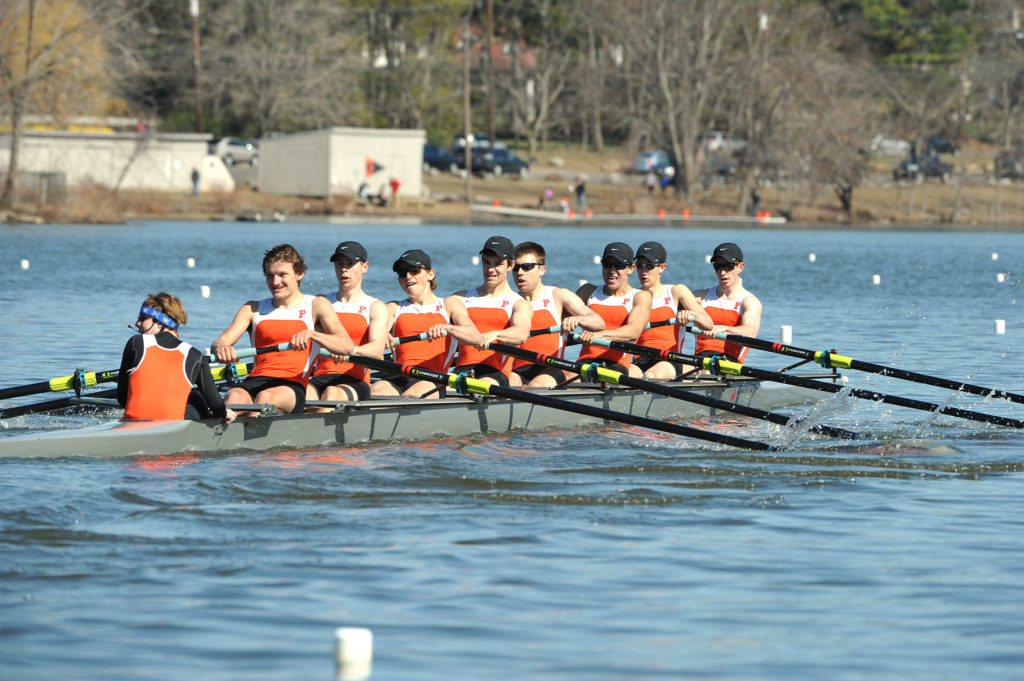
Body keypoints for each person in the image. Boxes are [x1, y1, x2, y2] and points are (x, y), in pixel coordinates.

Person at [210, 243, 354, 414]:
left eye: (282, 275)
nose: (275, 282)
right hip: (255, 379)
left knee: (266, 398)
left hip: (292, 386)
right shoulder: (252, 309)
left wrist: (312, 334)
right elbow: (220, 342)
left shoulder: (316, 305)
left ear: (299, 274)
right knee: (233, 397)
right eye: (270, 275)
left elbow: (346, 346)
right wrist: (222, 348)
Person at [118, 293, 236, 423]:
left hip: (132, 425)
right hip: (172, 430)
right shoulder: (196, 356)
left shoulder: (135, 343)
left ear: (159, 322)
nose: (137, 323)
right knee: (196, 396)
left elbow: (122, 398)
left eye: (143, 318)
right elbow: (216, 405)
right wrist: (225, 412)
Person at [371, 249, 473, 399]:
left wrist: (448, 328)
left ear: (431, 274)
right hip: (398, 377)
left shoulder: (448, 305)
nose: (408, 276)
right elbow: (375, 336)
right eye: (402, 273)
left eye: (414, 270)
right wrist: (381, 337)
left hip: (433, 379)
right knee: (377, 390)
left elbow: (473, 334)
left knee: (409, 397)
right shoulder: (393, 307)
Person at [510, 241, 604, 388]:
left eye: (527, 267)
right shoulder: (510, 301)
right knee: (505, 384)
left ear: (542, 270)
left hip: (550, 370)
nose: (520, 272)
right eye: (516, 267)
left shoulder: (558, 296)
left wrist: (578, 319)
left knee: (536, 387)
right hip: (516, 371)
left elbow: (598, 322)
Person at [306, 242, 387, 407]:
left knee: (331, 394)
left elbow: (377, 350)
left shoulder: (375, 307)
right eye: (339, 264)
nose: (344, 269)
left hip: (355, 381)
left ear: (364, 267)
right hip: (319, 378)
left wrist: (349, 350)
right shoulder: (321, 302)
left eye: (350, 264)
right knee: (301, 393)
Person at [445, 235, 533, 386]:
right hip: (461, 372)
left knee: (480, 385)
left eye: (498, 264)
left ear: (511, 265)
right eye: (486, 262)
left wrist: (495, 334)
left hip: (495, 374)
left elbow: (521, 334)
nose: (490, 269)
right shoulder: (460, 298)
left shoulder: (518, 303)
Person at [631, 241, 713, 379]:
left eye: (649, 266)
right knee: (622, 375)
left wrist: (691, 315)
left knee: (651, 375)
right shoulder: (633, 296)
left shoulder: (676, 291)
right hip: (639, 361)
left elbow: (708, 324)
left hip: (669, 360)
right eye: (639, 266)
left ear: (662, 267)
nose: (643, 271)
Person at [574, 242, 652, 376]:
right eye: (607, 265)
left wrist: (599, 335)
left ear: (631, 268)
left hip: (616, 366)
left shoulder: (640, 296)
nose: (612, 271)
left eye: (619, 266)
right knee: (563, 379)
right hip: (584, 362)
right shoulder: (587, 291)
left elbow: (634, 331)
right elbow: (558, 316)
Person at [692, 242, 762, 363]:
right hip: (698, 361)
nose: (722, 272)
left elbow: (750, 331)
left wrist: (722, 329)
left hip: (729, 362)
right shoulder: (700, 296)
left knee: (706, 373)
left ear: (740, 267)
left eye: (728, 266)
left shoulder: (749, 301)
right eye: (717, 266)